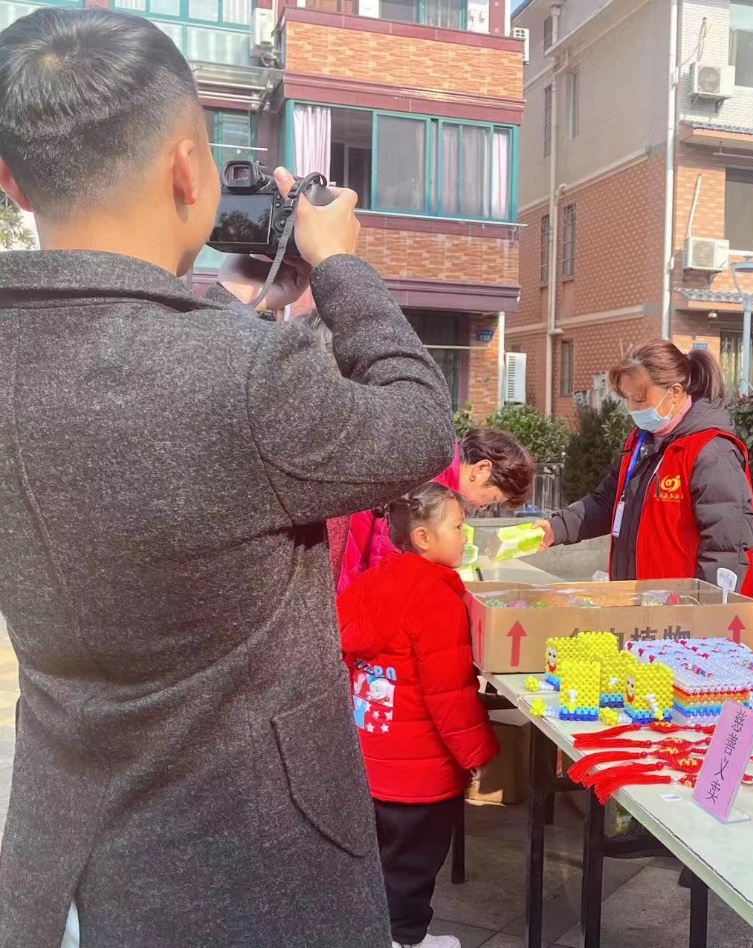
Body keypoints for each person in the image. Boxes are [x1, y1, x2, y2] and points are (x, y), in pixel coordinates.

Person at [0, 9, 456, 946]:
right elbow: (419, 429)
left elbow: (127, 366)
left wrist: (247, 307)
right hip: (252, 866)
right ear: (186, 168)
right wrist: (342, 267)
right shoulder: (245, 376)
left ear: (11, 179)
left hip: (58, 851)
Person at [339, 484, 499, 948]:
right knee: (413, 866)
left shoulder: (370, 583)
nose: (466, 535)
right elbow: (450, 694)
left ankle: (378, 933)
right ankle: (406, 940)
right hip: (420, 775)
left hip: (373, 759)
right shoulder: (436, 599)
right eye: (459, 526)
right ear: (424, 538)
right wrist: (477, 753)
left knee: (380, 860)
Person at [536, 341, 753, 595]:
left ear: (675, 392)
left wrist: (701, 606)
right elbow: (608, 502)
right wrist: (556, 529)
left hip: (682, 607)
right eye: (627, 398)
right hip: (639, 600)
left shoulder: (712, 452)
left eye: (640, 399)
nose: (633, 408)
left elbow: (726, 548)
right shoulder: (641, 441)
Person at [333, 427, 535, 594]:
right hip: (350, 586)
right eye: (492, 499)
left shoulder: (437, 464)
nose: (484, 507)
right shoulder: (431, 489)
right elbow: (389, 557)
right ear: (481, 469)